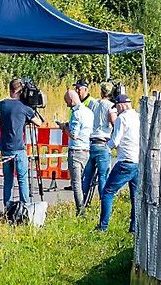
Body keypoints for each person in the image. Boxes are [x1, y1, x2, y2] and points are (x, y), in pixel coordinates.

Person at [96, 94, 141, 233]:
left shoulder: (122, 118)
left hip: (125, 161)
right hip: (137, 161)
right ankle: (134, 227)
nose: (116, 111)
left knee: (108, 192)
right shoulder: (137, 116)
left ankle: (103, 226)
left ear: (121, 105)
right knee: (135, 196)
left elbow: (115, 141)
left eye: (117, 107)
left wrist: (106, 145)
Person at [0, 78, 43, 209]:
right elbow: (39, 123)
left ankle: (7, 208)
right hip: (18, 148)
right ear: (20, 91)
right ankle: (26, 206)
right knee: (22, 179)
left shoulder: (1, 105)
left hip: (5, 148)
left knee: (8, 181)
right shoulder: (25, 108)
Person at [60, 89, 93, 215]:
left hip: (75, 150)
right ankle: (85, 204)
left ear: (71, 100)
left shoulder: (76, 113)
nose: (67, 105)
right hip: (86, 149)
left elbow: (73, 134)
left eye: (67, 102)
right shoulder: (89, 112)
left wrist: (64, 128)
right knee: (84, 180)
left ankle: (80, 210)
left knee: (76, 183)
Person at [84, 82, 116, 207]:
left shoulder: (93, 104)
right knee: (103, 176)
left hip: (91, 142)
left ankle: (83, 202)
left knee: (88, 176)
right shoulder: (111, 106)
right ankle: (104, 203)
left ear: (101, 92)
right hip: (103, 142)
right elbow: (113, 122)